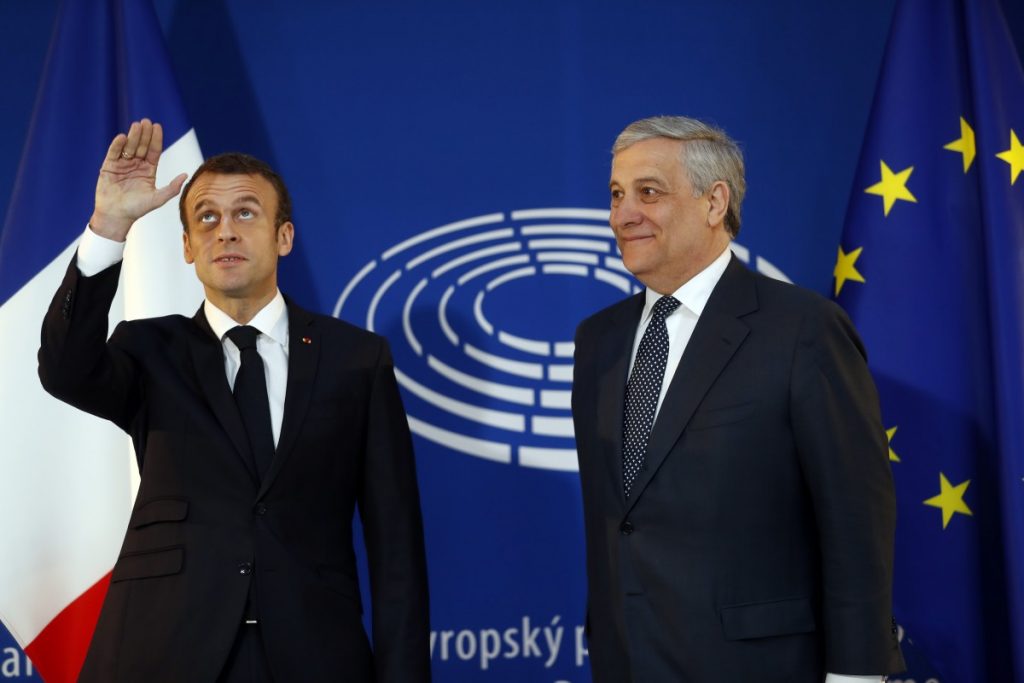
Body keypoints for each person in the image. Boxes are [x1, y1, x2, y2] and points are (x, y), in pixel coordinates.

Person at [38, 119, 430, 682]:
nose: (224, 231)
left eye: (245, 213)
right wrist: (109, 227)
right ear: (187, 248)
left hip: (314, 656)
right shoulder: (150, 351)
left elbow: (396, 550)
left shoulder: (356, 359)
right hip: (166, 652)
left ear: (283, 237)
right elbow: (64, 371)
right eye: (207, 218)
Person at [571, 115, 905, 683]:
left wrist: (857, 673)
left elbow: (856, 519)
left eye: (648, 192)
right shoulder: (597, 339)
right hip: (626, 661)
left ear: (714, 202)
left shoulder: (802, 329)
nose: (622, 215)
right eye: (616, 194)